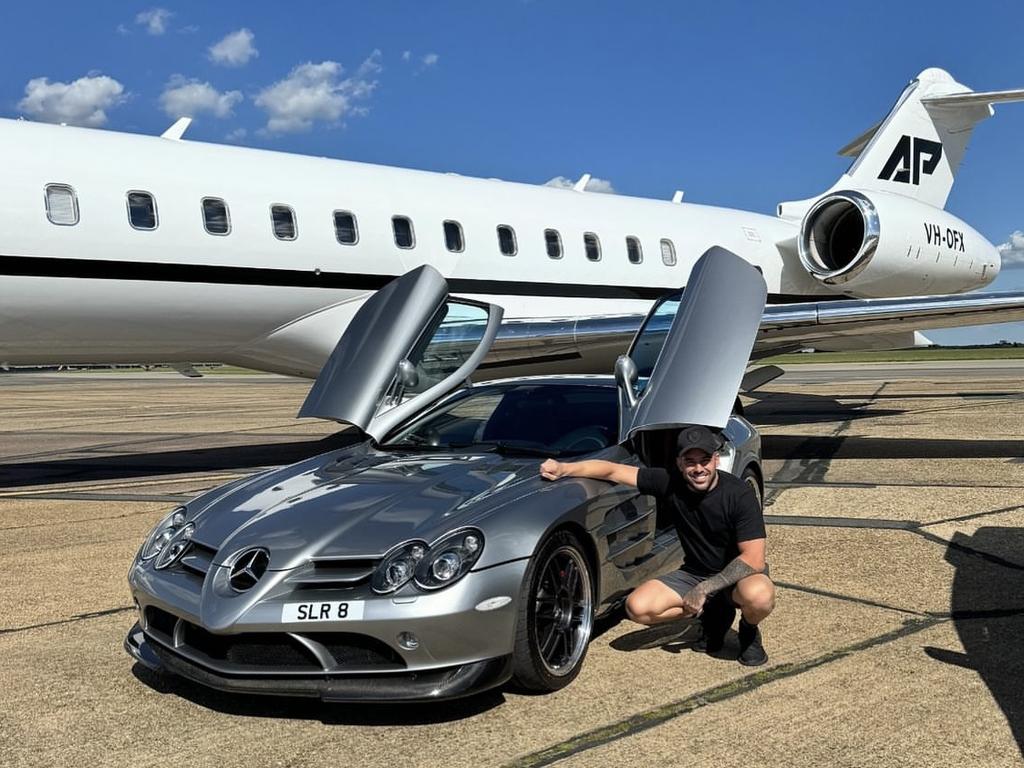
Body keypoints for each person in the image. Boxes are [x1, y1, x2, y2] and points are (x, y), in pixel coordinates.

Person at [539, 425, 775, 665]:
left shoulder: (738, 494)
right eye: (690, 461)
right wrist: (564, 468)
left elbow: (753, 559)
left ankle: (749, 630)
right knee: (638, 607)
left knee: (759, 596)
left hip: (738, 576)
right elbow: (612, 471)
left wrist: (705, 589)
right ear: (679, 462)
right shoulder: (670, 481)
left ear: (716, 459)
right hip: (695, 573)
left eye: (705, 460)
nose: (698, 468)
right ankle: (714, 614)